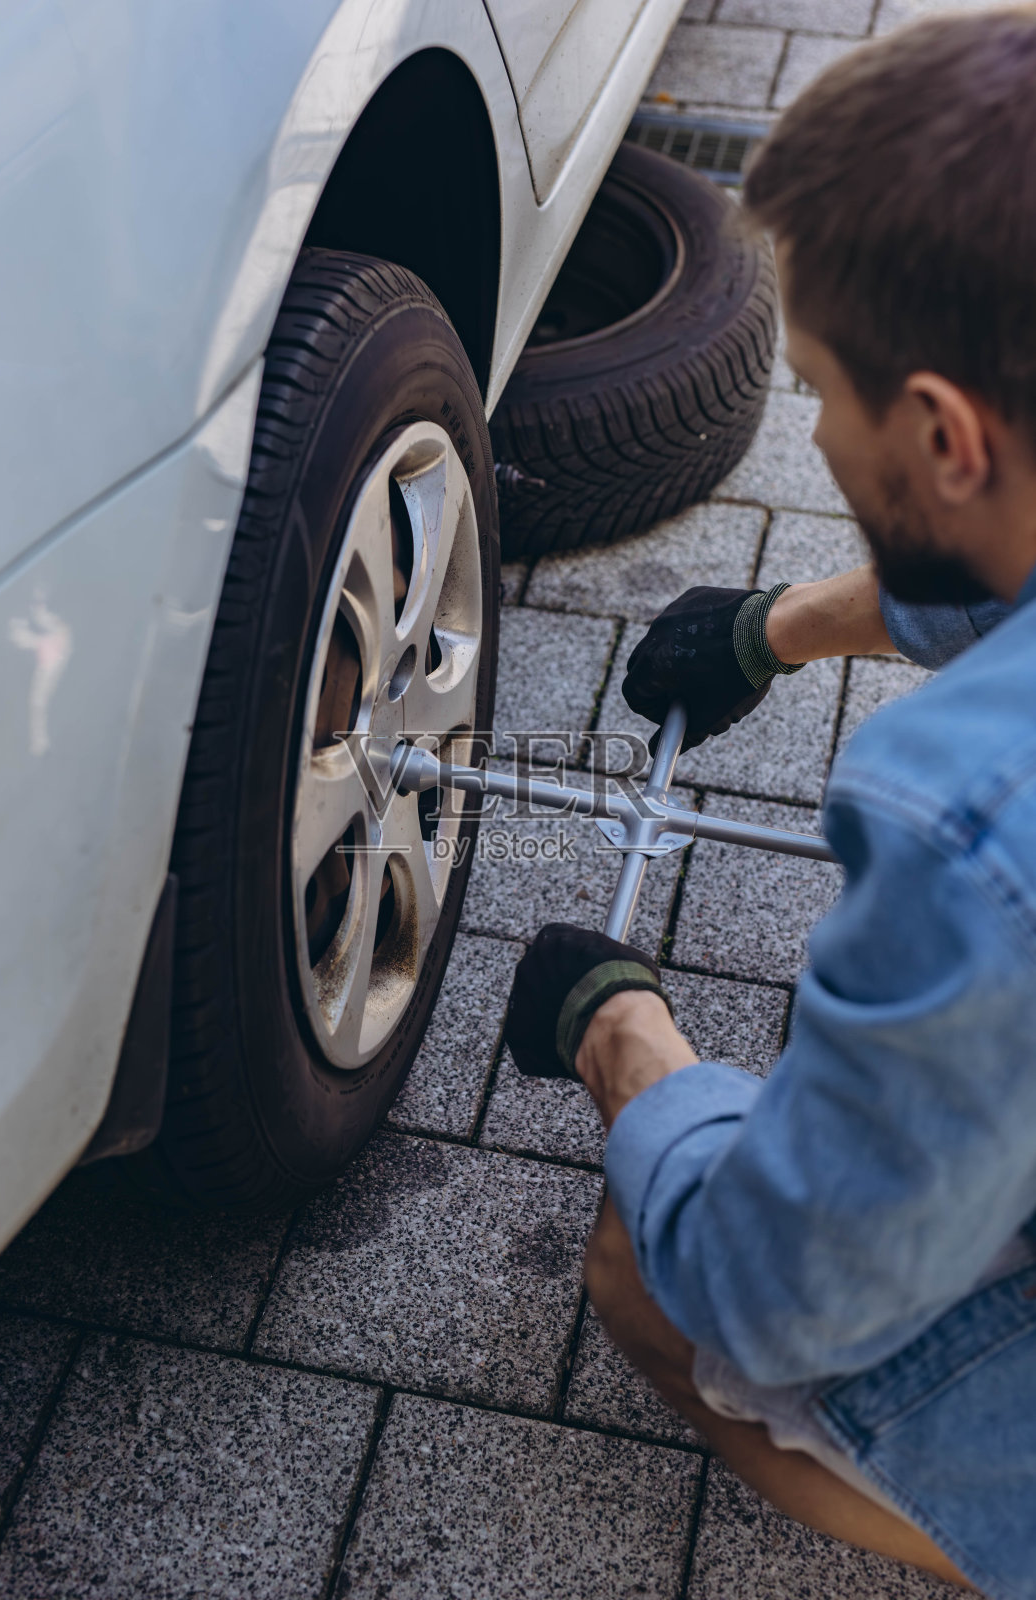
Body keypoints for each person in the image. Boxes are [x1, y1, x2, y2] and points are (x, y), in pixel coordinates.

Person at [503, 9, 1036, 1596]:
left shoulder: (968, 821)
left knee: (652, 1273)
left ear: (943, 433)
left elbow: (779, 1288)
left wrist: (623, 1035)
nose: (805, 428)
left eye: (817, 390)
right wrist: (780, 626)